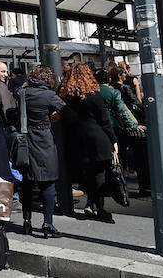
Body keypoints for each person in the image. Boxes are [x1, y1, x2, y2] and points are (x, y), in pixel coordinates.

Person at [60, 64, 118, 223]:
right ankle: (98, 208)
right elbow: (104, 121)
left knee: (86, 174)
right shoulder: (94, 95)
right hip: (97, 139)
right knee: (99, 174)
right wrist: (113, 140)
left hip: (76, 140)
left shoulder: (66, 97)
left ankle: (91, 203)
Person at [17, 65, 66, 238]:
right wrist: (54, 116)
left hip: (25, 140)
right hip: (44, 139)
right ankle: (48, 223)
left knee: (27, 183)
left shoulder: (21, 93)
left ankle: (27, 221)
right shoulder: (50, 96)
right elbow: (65, 111)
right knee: (48, 183)